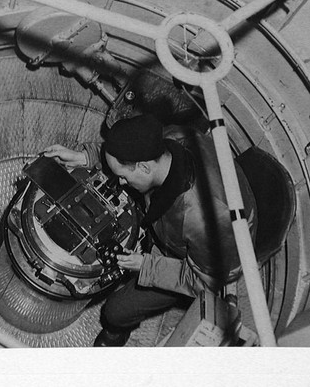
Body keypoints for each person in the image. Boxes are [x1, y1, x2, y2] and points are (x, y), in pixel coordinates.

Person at [43, 114, 257, 346]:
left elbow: (207, 283)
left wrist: (146, 266)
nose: (120, 183)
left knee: (115, 311)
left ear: (144, 168)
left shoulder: (208, 219)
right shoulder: (171, 137)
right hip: (173, 225)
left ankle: (116, 332)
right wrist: (86, 157)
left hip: (205, 264)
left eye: (123, 177)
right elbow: (123, 156)